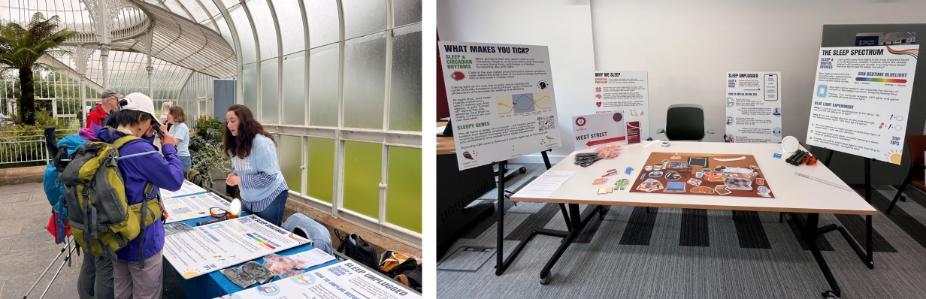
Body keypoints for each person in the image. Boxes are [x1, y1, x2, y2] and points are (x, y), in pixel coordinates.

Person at [96, 92, 184, 299]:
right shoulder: (140, 150)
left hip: (116, 236)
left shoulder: (105, 139)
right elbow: (174, 180)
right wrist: (169, 148)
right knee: (147, 293)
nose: (149, 128)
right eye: (149, 122)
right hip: (142, 241)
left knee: (122, 291)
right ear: (139, 119)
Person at [224, 104, 288, 226]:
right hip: (249, 198)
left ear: (244, 122)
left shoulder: (262, 143)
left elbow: (269, 177)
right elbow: (241, 167)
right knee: (247, 231)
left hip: (270, 196)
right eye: (227, 122)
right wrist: (234, 175)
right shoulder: (234, 142)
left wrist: (240, 180)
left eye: (233, 121)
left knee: (268, 235)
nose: (229, 125)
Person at [166, 106, 192, 172]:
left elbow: (173, 142)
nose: (167, 115)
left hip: (182, 158)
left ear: (175, 115)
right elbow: (167, 140)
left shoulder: (182, 127)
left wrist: (165, 131)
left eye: (169, 113)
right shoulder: (172, 127)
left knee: (180, 181)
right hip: (174, 156)